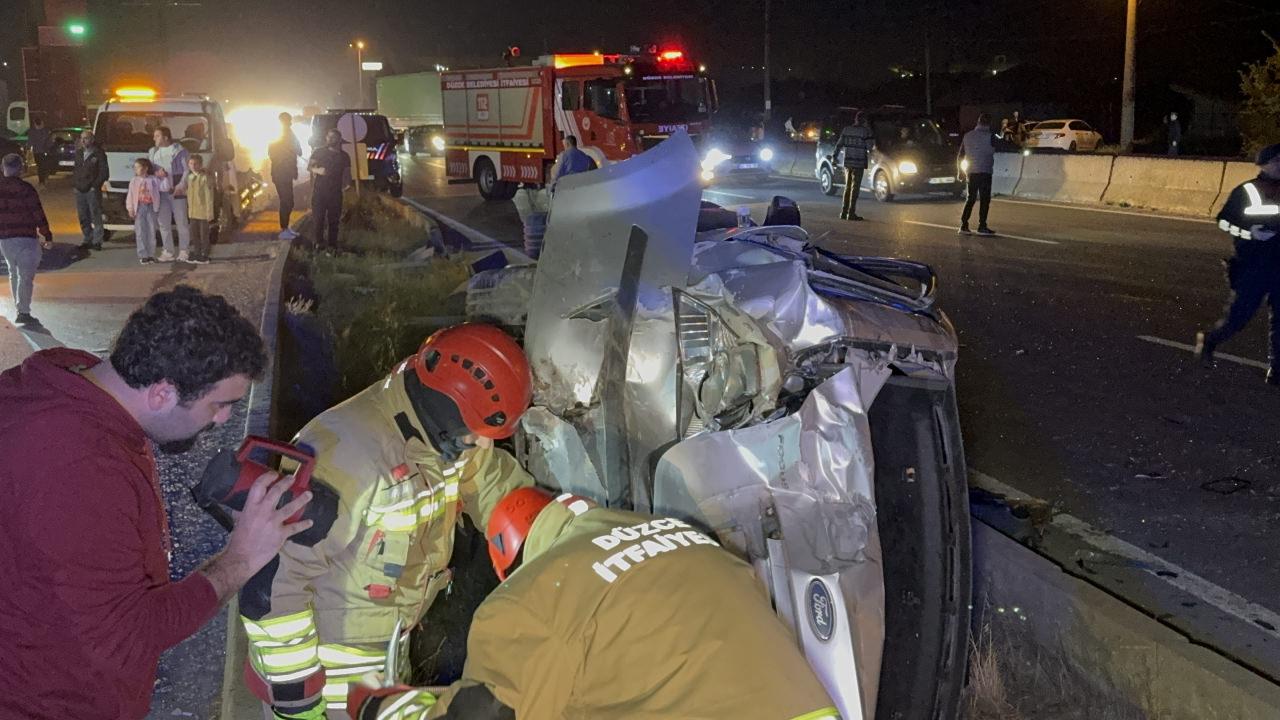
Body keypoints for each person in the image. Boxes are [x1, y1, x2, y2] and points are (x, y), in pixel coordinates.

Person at [0, 285, 314, 720]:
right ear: (162, 393)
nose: (223, 419)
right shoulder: (78, 467)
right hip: (51, 703)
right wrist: (241, 559)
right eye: (219, 404)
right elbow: (131, 634)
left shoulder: (70, 380)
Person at [239, 323, 535, 720]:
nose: (482, 444)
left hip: (383, 667)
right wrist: (297, 701)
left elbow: (499, 490)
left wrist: (566, 542)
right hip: (324, 690)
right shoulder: (348, 457)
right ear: (448, 406)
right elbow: (272, 585)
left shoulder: (442, 438)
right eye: (477, 433)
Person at [347, 487, 842, 720]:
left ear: (514, 563)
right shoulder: (683, 535)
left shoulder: (531, 599)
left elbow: (486, 716)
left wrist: (382, 711)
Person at [1195, 143, 1280, 385]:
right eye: (1278, 160)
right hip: (1252, 264)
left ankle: (1276, 370)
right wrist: (1250, 233)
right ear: (1265, 164)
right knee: (1239, 317)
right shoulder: (1246, 191)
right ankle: (1210, 340)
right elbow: (1224, 222)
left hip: (1278, 264)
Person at [0, 152, 53, 325]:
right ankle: (23, 310)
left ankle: (19, 307)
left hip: (6, 238)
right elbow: (37, 212)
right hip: (26, 237)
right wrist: (47, 234)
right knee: (25, 276)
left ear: (3, 168)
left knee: (13, 272)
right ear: (20, 169)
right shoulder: (26, 189)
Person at [149, 126, 192, 262]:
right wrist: (157, 173)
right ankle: (168, 251)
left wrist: (180, 186)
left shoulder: (180, 151)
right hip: (160, 193)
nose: (154, 138)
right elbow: (149, 170)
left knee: (181, 222)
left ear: (165, 137)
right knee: (163, 223)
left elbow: (186, 170)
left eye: (157, 136)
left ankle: (184, 250)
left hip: (177, 192)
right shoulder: (153, 152)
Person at [308, 129, 350, 251]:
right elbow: (310, 167)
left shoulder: (344, 156)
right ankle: (318, 244)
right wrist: (318, 170)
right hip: (319, 192)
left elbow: (347, 174)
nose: (330, 139)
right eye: (328, 137)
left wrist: (347, 185)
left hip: (335, 193)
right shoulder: (319, 152)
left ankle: (332, 246)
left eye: (333, 137)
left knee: (334, 221)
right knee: (318, 219)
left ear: (339, 139)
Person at [958, 113, 997, 236]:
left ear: (978, 122)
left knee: (971, 198)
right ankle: (982, 226)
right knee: (985, 199)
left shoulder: (967, 136)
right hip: (985, 171)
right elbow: (1003, 145)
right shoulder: (991, 136)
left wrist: (960, 172)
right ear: (989, 123)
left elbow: (960, 155)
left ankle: (964, 225)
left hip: (971, 171)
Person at [72, 129, 109, 251]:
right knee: (83, 215)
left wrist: (95, 186)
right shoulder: (78, 153)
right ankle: (87, 239)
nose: (83, 140)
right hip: (80, 189)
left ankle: (97, 241)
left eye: (86, 138)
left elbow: (104, 172)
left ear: (92, 139)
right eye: (81, 138)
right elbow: (76, 171)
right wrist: (75, 185)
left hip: (92, 190)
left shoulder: (99, 154)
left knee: (95, 214)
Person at [833, 110, 874, 221]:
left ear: (855, 119)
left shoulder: (846, 130)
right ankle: (851, 213)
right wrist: (869, 130)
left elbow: (839, 145)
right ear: (864, 120)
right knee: (855, 189)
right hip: (859, 162)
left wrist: (834, 157)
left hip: (848, 162)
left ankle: (843, 212)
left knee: (847, 187)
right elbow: (870, 146)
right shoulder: (865, 131)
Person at [269, 112, 302, 240]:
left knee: (289, 201)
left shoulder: (290, 134)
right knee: (286, 201)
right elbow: (272, 154)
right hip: (280, 173)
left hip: (286, 173)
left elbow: (299, 150)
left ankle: (286, 227)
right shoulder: (278, 135)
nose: (289, 122)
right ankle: (284, 229)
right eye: (287, 120)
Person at [126, 157, 162, 265]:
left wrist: (162, 177)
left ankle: (151, 254)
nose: (137, 170)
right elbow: (130, 195)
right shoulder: (134, 181)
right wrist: (130, 208)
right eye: (135, 168)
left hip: (151, 206)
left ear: (146, 168)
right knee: (140, 231)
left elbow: (162, 188)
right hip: (139, 207)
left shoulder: (153, 179)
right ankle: (143, 255)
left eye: (139, 167)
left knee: (151, 230)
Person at [181, 153, 214, 264]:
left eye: (195, 164)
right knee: (194, 234)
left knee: (204, 235)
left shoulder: (205, 178)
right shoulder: (189, 178)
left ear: (200, 165)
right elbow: (188, 193)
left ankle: (205, 255)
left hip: (203, 212)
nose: (193, 166)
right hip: (192, 212)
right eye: (190, 163)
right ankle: (196, 253)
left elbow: (209, 197)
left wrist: (210, 213)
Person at [27, 117, 52, 187]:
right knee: (43, 166)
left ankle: (42, 180)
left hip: (37, 152)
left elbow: (30, 142)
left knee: (40, 166)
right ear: (41, 123)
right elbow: (49, 141)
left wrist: (28, 149)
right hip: (44, 152)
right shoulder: (45, 131)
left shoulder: (31, 131)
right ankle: (43, 179)